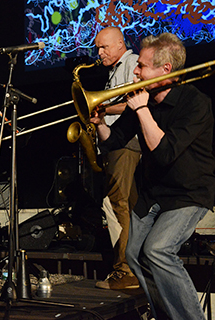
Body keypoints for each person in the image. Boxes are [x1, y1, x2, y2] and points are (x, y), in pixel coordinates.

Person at [91, 33, 215, 319]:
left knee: (158, 250)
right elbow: (115, 139)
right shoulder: (142, 99)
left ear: (165, 69)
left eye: (142, 66)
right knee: (134, 254)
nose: (135, 70)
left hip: (189, 191)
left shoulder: (195, 103)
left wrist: (143, 110)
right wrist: (99, 123)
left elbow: (165, 153)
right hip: (154, 192)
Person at [94, 27, 141, 290]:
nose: (99, 53)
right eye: (98, 48)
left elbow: (134, 100)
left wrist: (102, 107)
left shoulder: (131, 63)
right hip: (118, 143)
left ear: (120, 44)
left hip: (126, 143)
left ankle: (125, 270)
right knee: (123, 206)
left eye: (104, 47)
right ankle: (132, 266)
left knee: (117, 205)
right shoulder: (115, 69)